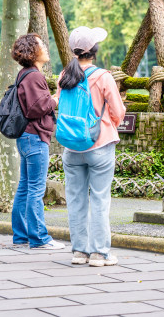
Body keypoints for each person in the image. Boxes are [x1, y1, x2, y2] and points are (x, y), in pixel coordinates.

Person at [56, 27, 125, 266]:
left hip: (71, 146)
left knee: (75, 199)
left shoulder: (65, 74)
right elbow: (118, 111)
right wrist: (108, 125)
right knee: (99, 199)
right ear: (94, 51)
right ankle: (99, 253)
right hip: (100, 145)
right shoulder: (103, 76)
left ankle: (79, 252)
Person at [10, 33, 64, 250]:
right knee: (35, 188)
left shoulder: (25, 74)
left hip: (26, 136)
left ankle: (21, 234)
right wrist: (55, 99)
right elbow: (36, 108)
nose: (45, 47)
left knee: (24, 187)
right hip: (34, 136)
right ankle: (39, 237)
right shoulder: (33, 76)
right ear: (33, 51)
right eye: (41, 44)